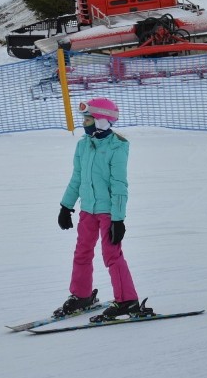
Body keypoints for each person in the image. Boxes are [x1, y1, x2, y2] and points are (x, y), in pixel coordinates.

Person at [54, 97, 146, 321]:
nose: (84, 123)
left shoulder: (117, 147)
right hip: (87, 210)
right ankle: (81, 295)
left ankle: (127, 300)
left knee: (111, 254)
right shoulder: (83, 145)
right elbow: (77, 177)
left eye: (88, 119)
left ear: (102, 121)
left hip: (107, 212)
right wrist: (66, 206)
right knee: (82, 252)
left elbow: (119, 186)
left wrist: (118, 219)